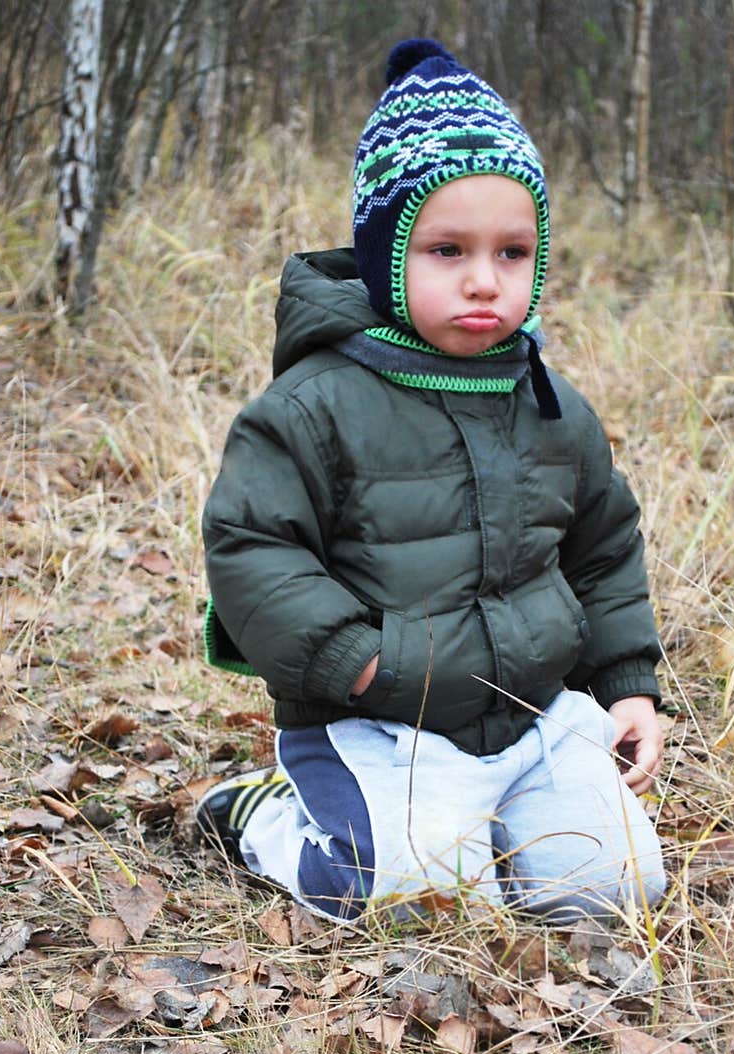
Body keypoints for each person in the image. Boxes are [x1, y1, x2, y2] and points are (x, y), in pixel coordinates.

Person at [197, 38, 666, 934]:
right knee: (418, 903)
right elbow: (254, 548)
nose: (485, 281)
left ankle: (491, 831)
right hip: (383, 722)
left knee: (614, 889)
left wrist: (627, 683)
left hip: (533, 717)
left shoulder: (549, 401)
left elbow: (604, 548)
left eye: (514, 252)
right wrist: (359, 662)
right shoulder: (314, 403)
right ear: (385, 253)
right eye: (447, 249)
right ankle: (269, 818)